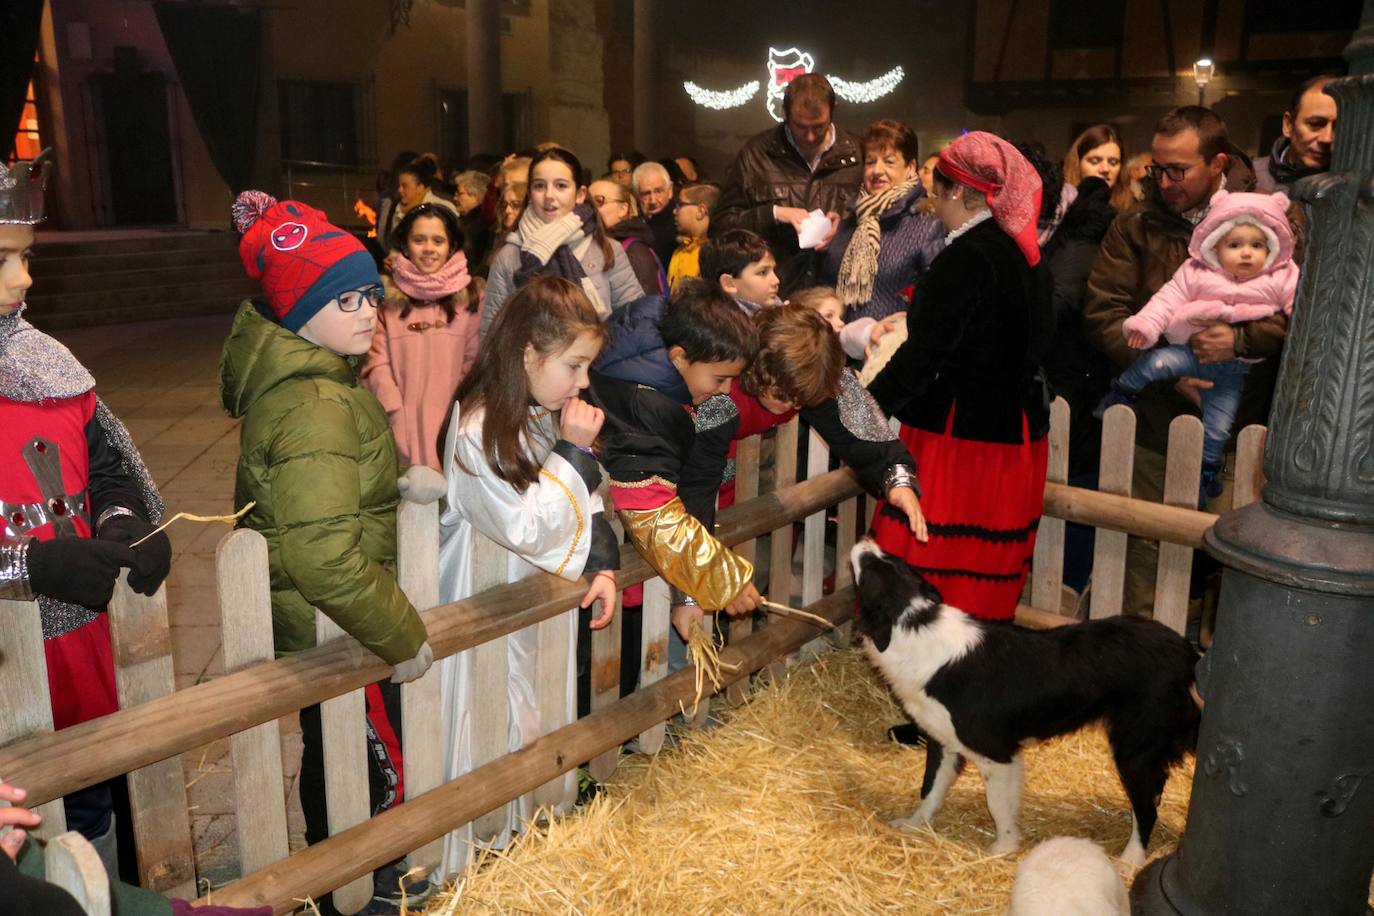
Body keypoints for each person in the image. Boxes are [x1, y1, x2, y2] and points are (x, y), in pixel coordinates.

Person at [221, 191, 435, 914]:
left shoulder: (315, 386)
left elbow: (327, 498)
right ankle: (365, 885)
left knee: (334, 743)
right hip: (340, 626)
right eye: (347, 302)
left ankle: (345, 875)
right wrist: (402, 635)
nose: (370, 313)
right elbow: (324, 558)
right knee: (366, 757)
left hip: (326, 623)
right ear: (298, 308)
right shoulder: (316, 403)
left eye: (371, 296)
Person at [0, 155, 172, 877]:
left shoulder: (49, 365)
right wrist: (25, 565)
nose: (24, 278)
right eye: (4, 259)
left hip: (79, 650)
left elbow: (108, 471)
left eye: (25, 257)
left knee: (95, 801)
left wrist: (125, 523)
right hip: (7, 666)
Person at [434, 276, 619, 877]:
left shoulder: (540, 415)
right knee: (482, 721)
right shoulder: (474, 433)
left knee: (531, 713)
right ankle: (472, 856)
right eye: (575, 364)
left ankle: (524, 832)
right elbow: (530, 527)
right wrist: (574, 454)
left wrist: (602, 563)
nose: (584, 381)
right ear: (527, 355)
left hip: (528, 606)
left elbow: (590, 503)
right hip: (480, 607)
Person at [1083, 105, 1286, 619]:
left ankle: (1219, 681)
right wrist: (1172, 366)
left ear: (1217, 163)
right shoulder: (1136, 224)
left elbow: (1296, 310)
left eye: (1180, 170)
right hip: (1155, 423)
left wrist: (1238, 342)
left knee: (1234, 566)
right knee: (1147, 559)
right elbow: (1106, 312)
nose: (1166, 181)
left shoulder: (1266, 219)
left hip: (1242, 428)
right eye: (1158, 168)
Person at [866, 131, 1052, 623]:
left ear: (957, 192)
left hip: (959, 442)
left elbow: (924, 356)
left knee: (933, 574)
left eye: (936, 188)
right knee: (984, 584)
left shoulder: (965, 257)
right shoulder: (1025, 255)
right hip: (1014, 436)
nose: (931, 200)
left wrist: (863, 407)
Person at [1096, 190, 1298, 503]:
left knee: (1219, 427)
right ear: (1215, 246)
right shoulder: (1196, 271)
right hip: (1187, 354)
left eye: (1257, 245)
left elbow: (1300, 312)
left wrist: (1241, 339)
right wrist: (1145, 326)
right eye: (1235, 245)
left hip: (1235, 371)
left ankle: (1208, 473)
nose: (1247, 253)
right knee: (1156, 364)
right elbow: (1164, 300)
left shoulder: (1281, 276)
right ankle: (1121, 392)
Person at [585, 284, 765, 626]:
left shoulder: (642, 340)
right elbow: (651, 514)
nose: (725, 391)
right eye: (720, 378)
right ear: (679, 357)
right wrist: (724, 579)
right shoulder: (646, 409)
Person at [714, 73, 863, 296]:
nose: (811, 136)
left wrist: (844, 225)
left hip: (839, 291)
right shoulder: (757, 153)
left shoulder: (857, 153)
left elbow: (879, 222)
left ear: (834, 110)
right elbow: (721, 227)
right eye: (801, 127)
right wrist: (773, 214)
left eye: (819, 126)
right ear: (785, 113)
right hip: (777, 292)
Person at [362, 203, 479, 471]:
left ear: (451, 246)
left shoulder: (471, 298)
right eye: (419, 240)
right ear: (405, 245)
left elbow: (475, 361)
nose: (428, 249)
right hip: (399, 423)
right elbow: (376, 363)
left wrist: (459, 414)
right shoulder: (386, 299)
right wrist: (394, 412)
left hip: (456, 423)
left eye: (438, 240)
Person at [482, 148, 645, 335]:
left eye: (561, 185)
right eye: (539, 186)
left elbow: (635, 319)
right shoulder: (509, 256)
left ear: (580, 194)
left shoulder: (607, 250)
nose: (549, 195)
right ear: (529, 193)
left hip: (600, 359)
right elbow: (491, 333)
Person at [821, 119, 945, 362]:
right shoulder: (849, 222)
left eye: (889, 161)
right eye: (870, 161)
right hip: (840, 362)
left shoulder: (929, 223)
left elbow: (937, 307)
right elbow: (827, 289)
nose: (877, 170)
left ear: (910, 167)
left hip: (894, 360)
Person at [1254, 74, 1339, 194]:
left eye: (1338, 127)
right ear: (1288, 125)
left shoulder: (1352, 189)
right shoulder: (1250, 177)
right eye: (1315, 124)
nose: (1327, 138)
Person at [589, 177, 665, 295]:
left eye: (599, 201)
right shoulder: (595, 243)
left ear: (623, 209)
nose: (590, 209)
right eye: (587, 203)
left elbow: (642, 308)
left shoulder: (634, 251)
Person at [377, 157, 460, 261]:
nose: (399, 190)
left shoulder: (442, 207)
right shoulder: (396, 207)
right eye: (399, 186)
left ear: (420, 187)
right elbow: (393, 243)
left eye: (404, 186)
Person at [699, 228, 781, 312]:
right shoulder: (722, 324)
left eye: (774, 270)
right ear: (729, 283)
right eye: (762, 272)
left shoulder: (778, 308)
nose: (776, 281)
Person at [1062, 124, 1135, 211]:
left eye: (1113, 162)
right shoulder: (1059, 208)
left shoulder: (1131, 211)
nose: (1105, 169)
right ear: (1077, 164)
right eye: (1095, 161)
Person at [668, 182, 720, 292]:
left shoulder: (715, 254)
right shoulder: (680, 250)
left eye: (680, 205)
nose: (674, 211)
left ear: (701, 211)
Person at [632, 160, 679, 267]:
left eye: (658, 191)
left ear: (670, 190)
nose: (652, 200)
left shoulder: (679, 224)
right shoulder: (636, 226)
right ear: (636, 195)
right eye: (645, 194)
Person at [452, 169, 493, 268]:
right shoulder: (466, 222)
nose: (455, 198)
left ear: (475, 196)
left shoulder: (475, 227)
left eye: (459, 193)